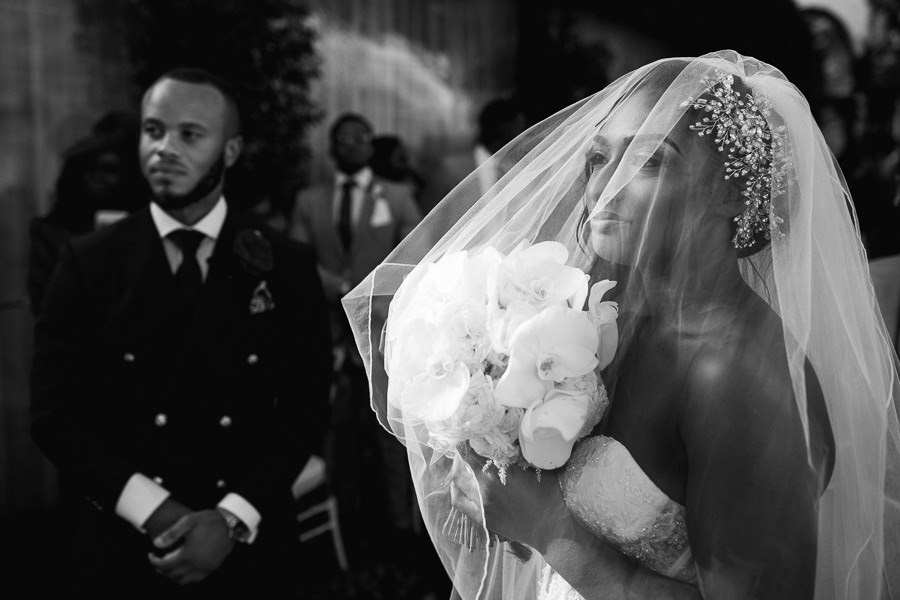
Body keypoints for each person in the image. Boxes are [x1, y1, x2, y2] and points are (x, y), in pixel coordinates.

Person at [343, 51, 900, 599]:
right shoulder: (603, 321)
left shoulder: (746, 379)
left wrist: (551, 534)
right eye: (598, 159)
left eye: (649, 160)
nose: (604, 187)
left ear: (731, 192)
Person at [30, 67, 333, 598]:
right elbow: (56, 414)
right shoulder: (87, 262)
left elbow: (305, 409)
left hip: (250, 547)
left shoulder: (285, 263)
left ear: (232, 150)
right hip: (125, 547)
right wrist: (155, 510)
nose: (164, 149)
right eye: (153, 130)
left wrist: (231, 517)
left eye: (190, 134)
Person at [289, 112, 423, 566]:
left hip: (384, 333)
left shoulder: (400, 195)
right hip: (326, 333)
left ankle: (402, 527)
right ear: (331, 148)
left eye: (358, 137)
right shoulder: (309, 200)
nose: (350, 144)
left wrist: (364, 294)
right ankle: (351, 522)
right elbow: (299, 255)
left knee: (391, 432)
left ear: (370, 145)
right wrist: (337, 288)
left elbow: (415, 253)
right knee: (336, 432)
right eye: (341, 138)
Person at [28, 109, 146, 316]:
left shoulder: (147, 226)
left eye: (109, 169)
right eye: (89, 168)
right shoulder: (49, 233)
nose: (97, 176)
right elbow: (45, 304)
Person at [420, 95, 528, 214]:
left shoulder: (520, 170)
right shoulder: (450, 171)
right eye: (521, 130)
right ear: (505, 130)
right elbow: (426, 222)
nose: (525, 137)